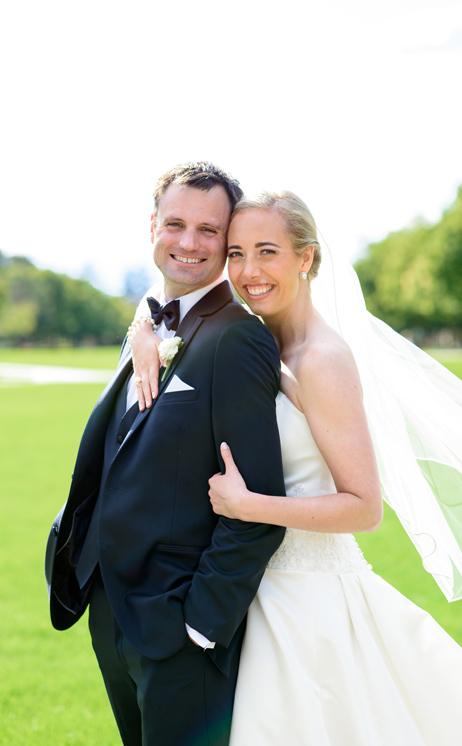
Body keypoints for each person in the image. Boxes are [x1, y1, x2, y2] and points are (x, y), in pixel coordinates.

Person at [131, 190, 462, 744]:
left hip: (308, 599)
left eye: (267, 252)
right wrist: (144, 332)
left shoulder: (322, 359)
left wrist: (249, 506)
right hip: (247, 590)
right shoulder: (254, 341)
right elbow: (170, 306)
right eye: (235, 253)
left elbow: (365, 508)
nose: (248, 271)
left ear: (305, 258)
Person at [44, 162, 287, 746]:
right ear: (152, 224)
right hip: (113, 606)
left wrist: (201, 626)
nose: (188, 242)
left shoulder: (238, 337)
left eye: (209, 231)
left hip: (179, 624)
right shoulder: (151, 322)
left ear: (228, 244)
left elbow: (257, 502)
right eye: (175, 223)